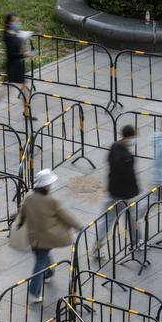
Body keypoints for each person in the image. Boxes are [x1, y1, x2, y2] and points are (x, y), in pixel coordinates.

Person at [18, 169, 83, 302]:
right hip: (46, 237)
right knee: (40, 261)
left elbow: (22, 212)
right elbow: (66, 215)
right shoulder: (52, 201)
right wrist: (80, 227)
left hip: (33, 236)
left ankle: (48, 273)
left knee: (42, 256)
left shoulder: (28, 197)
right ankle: (34, 291)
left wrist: (19, 224)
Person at [93, 125, 140, 257]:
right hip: (123, 195)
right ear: (130, 137)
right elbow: (130, 177)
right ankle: (136, 242)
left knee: (107, 221)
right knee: (131, 218)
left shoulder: (114, 147)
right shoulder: (127, 157)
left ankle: (96, 249)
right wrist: (133, 191)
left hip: (112, 190)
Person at [0, 14, 35, 119]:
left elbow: (20, 48)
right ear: (9, 23)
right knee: (8, 89)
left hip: (18, 64)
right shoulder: (8, 37)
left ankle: (26, 111)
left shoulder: (15, 33)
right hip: (13, 65)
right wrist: (25, 54)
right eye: (15, 22)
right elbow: (11, 55)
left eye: (17, 21)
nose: (17, 24)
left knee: (25, 88)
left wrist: (24, 47)